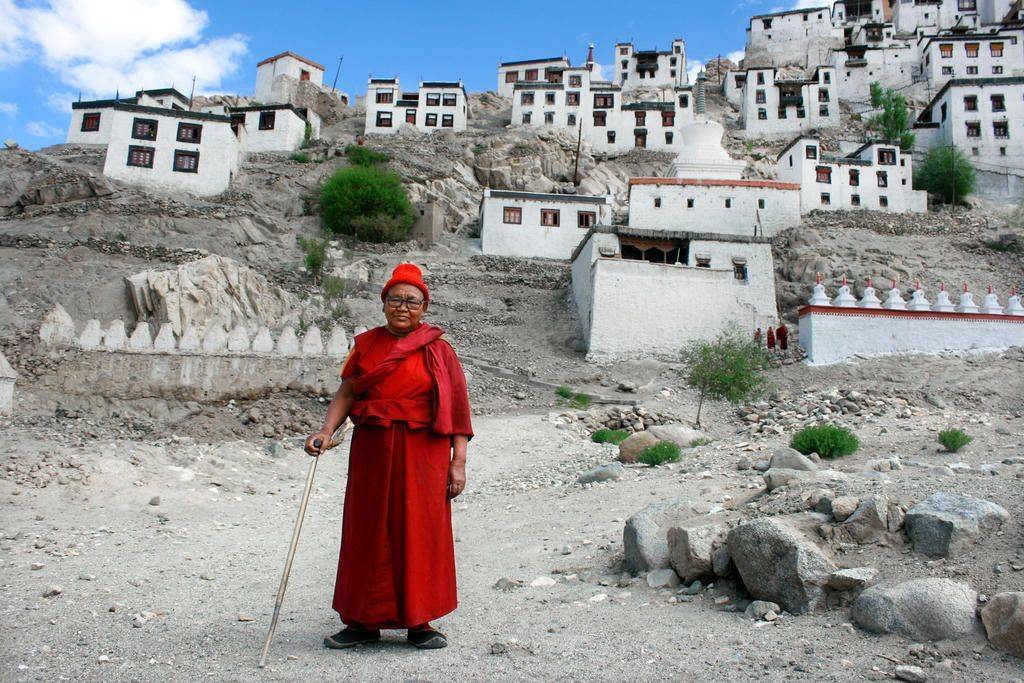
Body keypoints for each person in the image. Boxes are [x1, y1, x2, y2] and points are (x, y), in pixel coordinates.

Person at [305, 262, 473, 650]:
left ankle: (420, 621)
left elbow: (458, 409)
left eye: (412, 301)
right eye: (395, 299)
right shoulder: (366, 345)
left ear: (424, 307)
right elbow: (348, 393)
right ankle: (361, 622)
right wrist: (326, 432)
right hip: (373, 452)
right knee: (367, 530)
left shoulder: (439, 350)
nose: (403, 307)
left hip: (424, 453)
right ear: (383, 303)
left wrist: (458, 462)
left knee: (420, 531)